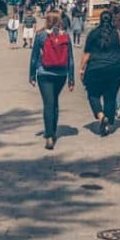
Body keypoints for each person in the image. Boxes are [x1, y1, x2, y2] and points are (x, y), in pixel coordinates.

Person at [78, 3, 120, 137]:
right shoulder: (117, 34)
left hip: (95, 69)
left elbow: (87, 54)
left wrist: (81, 69)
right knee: (111, 95)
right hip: (116, 69)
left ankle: (101, 116)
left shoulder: (93, 34)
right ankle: (108, 119)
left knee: (93, 94)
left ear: (100, 20)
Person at [28, 10, 75, 150]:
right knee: (54, 102)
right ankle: (53, 131)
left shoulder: (41, 36)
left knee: (48, 103)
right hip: (61, 74)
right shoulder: (66, 36)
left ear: (47, 21)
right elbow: (70, 60)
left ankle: (49, 135)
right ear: (60, 21)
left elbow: (34, 57)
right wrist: (71, 79)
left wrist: (31, 75)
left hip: (44, 73)